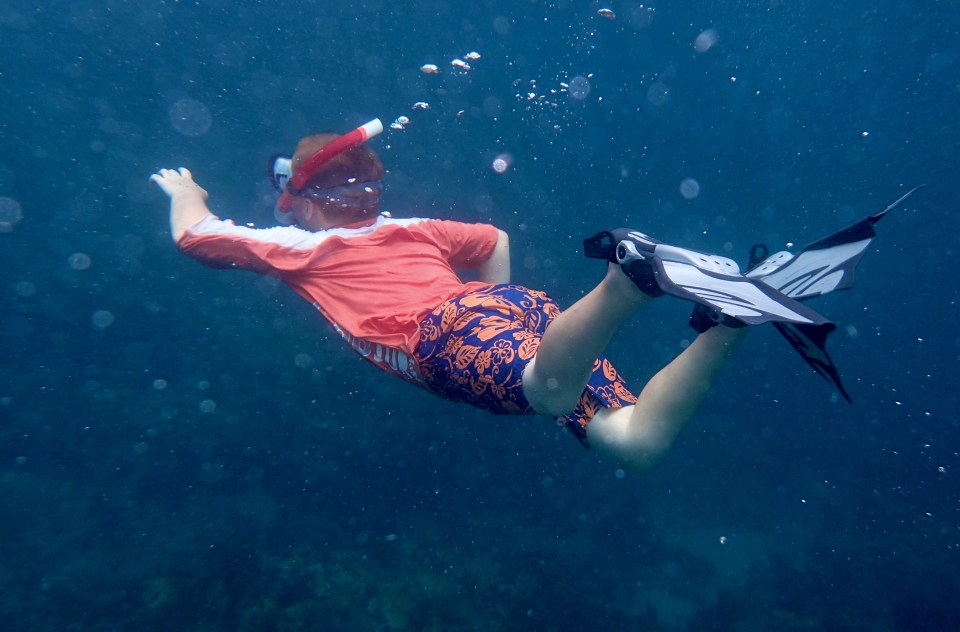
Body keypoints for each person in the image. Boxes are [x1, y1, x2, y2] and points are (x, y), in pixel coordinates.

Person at [151, 119, 906, 470]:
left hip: (447, 332)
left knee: (547, 394)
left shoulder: (302, 248)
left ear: (301, 201)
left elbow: (195, 237)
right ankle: (730, 319)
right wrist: (502, 316)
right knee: (634, 442)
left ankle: (627, 280)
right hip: (521, 316)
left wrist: (187, 190)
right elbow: (493, 240)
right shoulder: (414, 226)